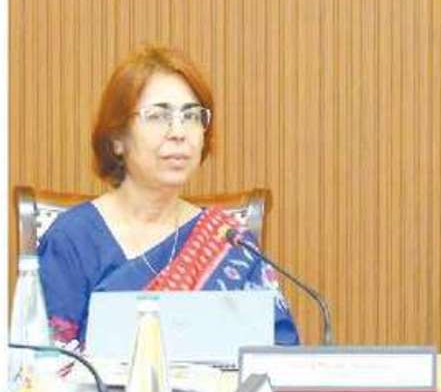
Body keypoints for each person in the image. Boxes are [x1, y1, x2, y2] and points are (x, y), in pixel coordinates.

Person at [37, 45, 297, 348]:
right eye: (158, 116)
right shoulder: (71, 240)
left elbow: (278, 353)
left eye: (191, 116)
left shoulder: (229, 241)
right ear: (117, 138)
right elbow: (46, 364)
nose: (178, 132)